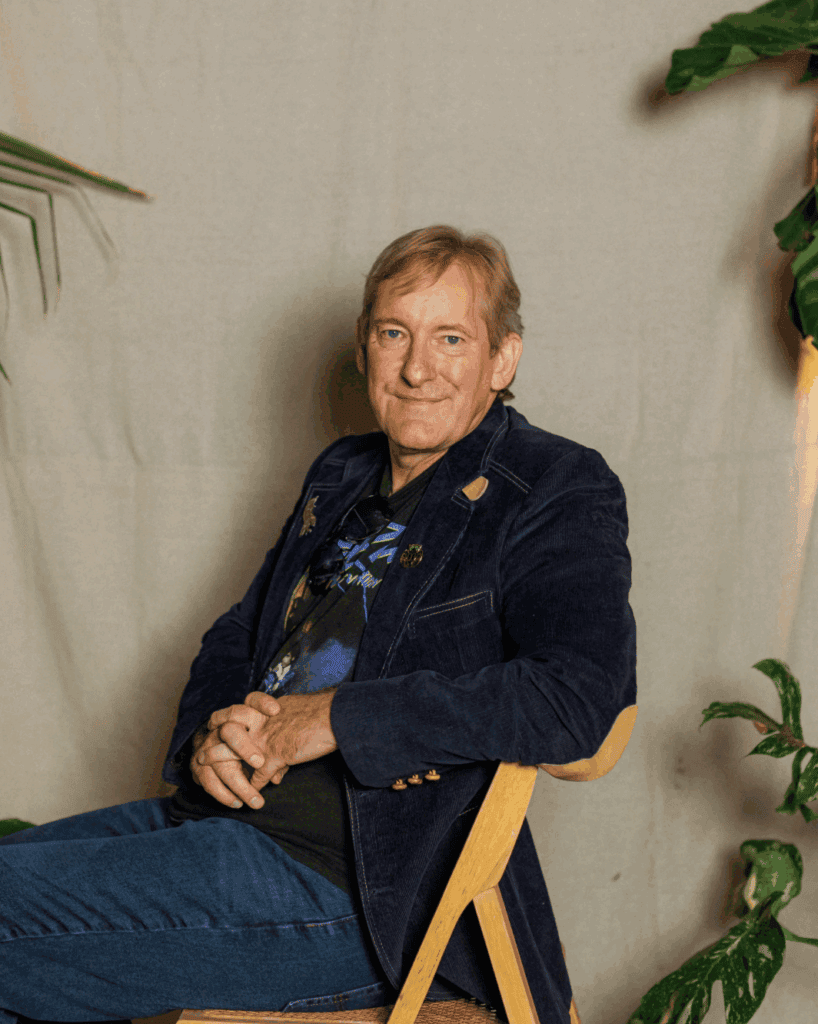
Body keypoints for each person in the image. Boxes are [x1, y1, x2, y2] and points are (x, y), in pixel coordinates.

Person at [0, 226, 636, 1024]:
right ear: (365, 348)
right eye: (393, 333)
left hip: (362, 891)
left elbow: (578, 699)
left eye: (451, 338)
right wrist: (208, 738)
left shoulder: (550, 485)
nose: (416, 367)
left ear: (502, 360)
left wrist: (333, 719)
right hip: (220, 822)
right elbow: (241, 634)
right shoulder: (339, 473)